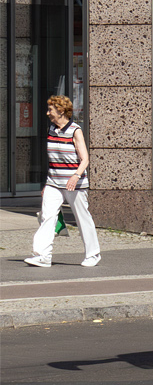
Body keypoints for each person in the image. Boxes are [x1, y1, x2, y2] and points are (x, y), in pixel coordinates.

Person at [26, 95, 101, 268]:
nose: (47, 113)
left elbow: (85, 159)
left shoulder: (75, 130)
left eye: (50, 110)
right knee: (47, 216)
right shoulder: (51, 129)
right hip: (54, 182)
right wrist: (47, 184)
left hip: (74, 183)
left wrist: (75, 176)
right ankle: (42, 255)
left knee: (82, 218)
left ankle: (93, 254)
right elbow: (52, 160)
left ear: (60, 111)